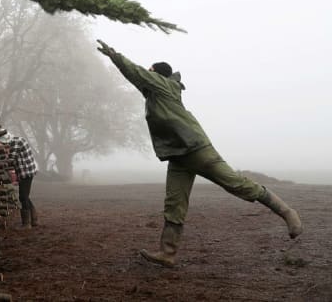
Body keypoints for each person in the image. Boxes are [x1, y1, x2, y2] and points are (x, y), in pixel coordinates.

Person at [96, 39, 302, 267]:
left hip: (197, 149)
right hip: (178, 157)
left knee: (237, 184)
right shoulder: (154, 95)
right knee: (174, 204)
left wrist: (115, 56)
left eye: (150, 71)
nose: (146, 73)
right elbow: (136, 77)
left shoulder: (166, 87)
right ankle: (168, 253)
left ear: (158, 75)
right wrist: (117, 61)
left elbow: (136, 73)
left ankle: (287, 212)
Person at [4, 135, 39, 229]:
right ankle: (34, 219)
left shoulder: (16, 142)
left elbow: (11, 158)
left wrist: (0, 161)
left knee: (23, 197)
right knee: (25, 196)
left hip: (26, 172)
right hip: (24, 171)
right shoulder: (14, 142)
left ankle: (26, 224)